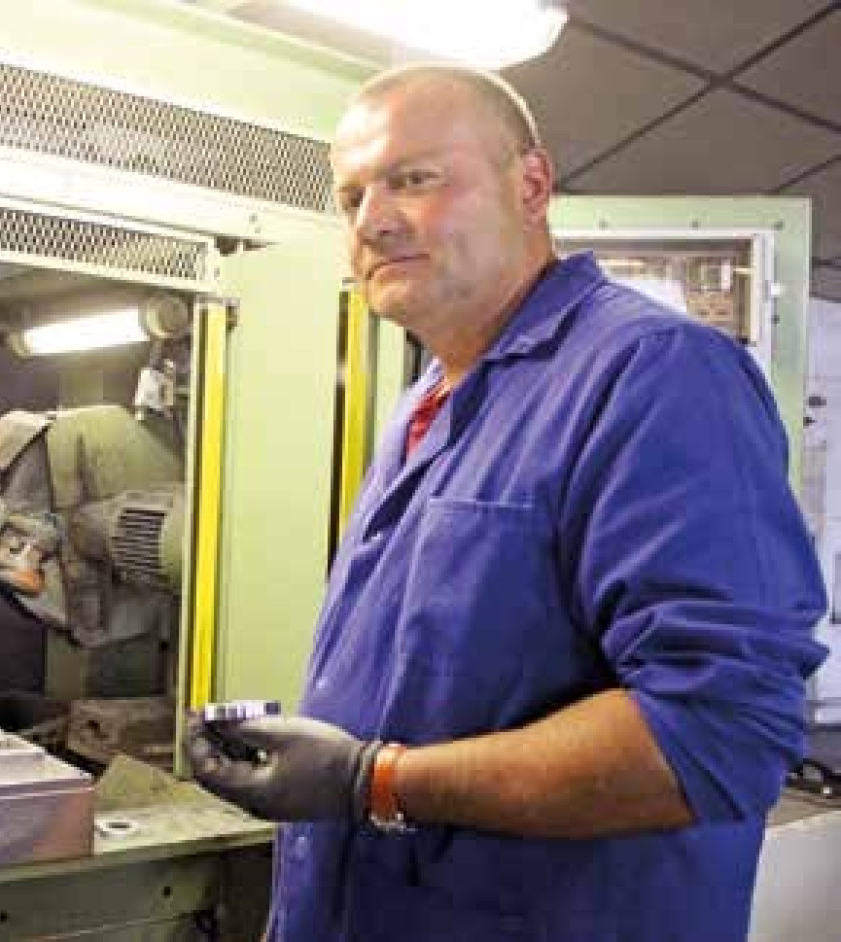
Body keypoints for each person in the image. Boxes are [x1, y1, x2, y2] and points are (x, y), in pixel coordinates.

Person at [185, 64, 827, 941]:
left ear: (531, 186)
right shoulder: (425, 404)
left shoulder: (653, 373)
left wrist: (373, 780)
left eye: (415, 178)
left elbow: (718, 732)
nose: (373, 219)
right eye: (351, 196)